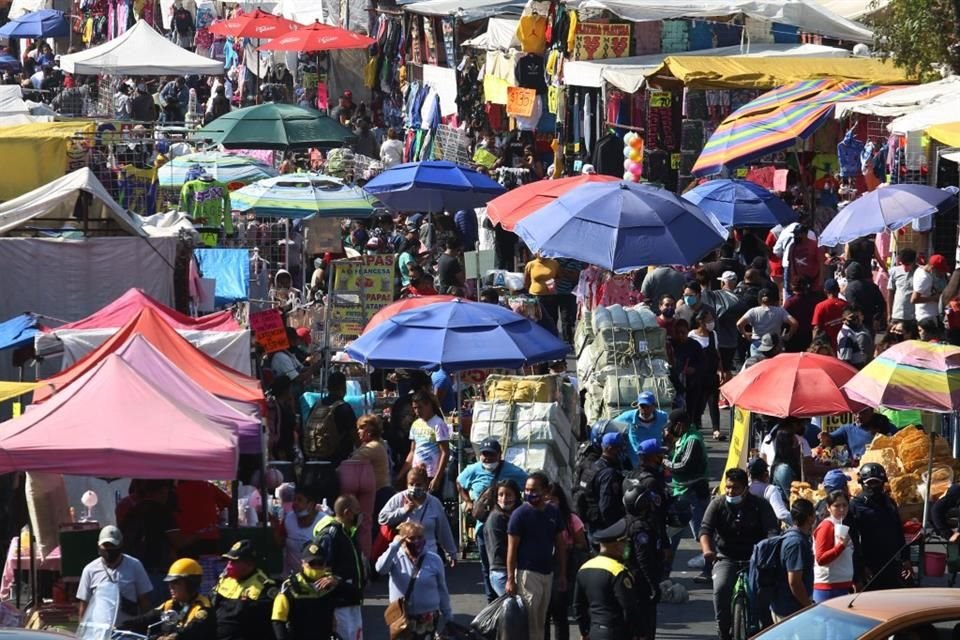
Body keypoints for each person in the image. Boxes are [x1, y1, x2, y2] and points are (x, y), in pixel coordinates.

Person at [699, 468, 778, 640]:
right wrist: (707, 551)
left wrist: (768, 552)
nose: (730, 491)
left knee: (762, 595)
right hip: (726, 557)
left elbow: (772, 531)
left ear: (746, 488)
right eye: (728, 487)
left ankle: (764, 631)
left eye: (735, 488)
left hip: (755, 558)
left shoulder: (760, 505)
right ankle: (723, 630)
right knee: (720, 588)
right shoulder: (717, 504)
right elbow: (705, 530)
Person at [456, 438, 527, 602]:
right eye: (484, 455)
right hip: (483, 529)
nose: (487, 459)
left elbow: (527, 484)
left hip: (507, 528)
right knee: (487, 567)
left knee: (508, 564)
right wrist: (468, 501)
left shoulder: (513, 471)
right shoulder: (472, 469)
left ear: (500, 455)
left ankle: (510, 597)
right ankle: (492, 602)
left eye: (491, 455)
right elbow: (459, 482)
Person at [506, 471, 568, 640]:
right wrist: (511, 579)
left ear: (546, 490)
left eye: (534, 490)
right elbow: (512, 549)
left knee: (540, 622)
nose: (530, 494)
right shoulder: (519, 515)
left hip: (547, 574)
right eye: (526, 490)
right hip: (528, 575)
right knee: (531, 624)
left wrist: (562, 574)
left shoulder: (553, 513)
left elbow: (560, 544)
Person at [622, 441, 671, 639]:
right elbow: (658, 515)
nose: (662, 458)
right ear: (650, 457)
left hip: (628, 535)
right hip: (647, 539)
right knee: (646, 606)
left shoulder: (631, 476)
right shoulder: (651, 482)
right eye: (659, 455)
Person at [375, 521, 452, 639]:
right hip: (402, 618)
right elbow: (380, 569)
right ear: (403, 540)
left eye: (420, 537)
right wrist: (394, 545)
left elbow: (442, 588)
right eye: (411, 538)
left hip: (427, 617)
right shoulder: (395, 557)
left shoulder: (434, 559)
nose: (416, 541)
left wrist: (448, 616)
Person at [272, 537, 356, 640]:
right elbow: (278, 620)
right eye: (312, 563)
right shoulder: (290, 587)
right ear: (303, 563)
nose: (316, 567)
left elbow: (356, 596)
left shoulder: (330, 584)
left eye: (320, 563)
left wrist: (338, 583)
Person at [573, 519, 644, 640]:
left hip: (594, 632)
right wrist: (639, 634)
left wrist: (584, 632)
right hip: (616, 633)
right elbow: (629, 608)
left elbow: (578, 606)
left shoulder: (584, 568)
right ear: (616, 545)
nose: (625, 547)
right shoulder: (618, 571)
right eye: (624, 542)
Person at [663, 409, 711, 581]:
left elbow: (683, 466)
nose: (670, 430)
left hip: (693, 494)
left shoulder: (692, 440)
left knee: (701, 532)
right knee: (673, 533)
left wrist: (665, 462)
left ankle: (709, 569)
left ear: (680, 425)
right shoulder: (682, 438)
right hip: (681, 492)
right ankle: (664, 573)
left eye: (672, 426)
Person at [849, 463, 913, 590]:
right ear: (862, 483)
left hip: (891, 563)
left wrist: (906, 559)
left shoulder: (890, 503)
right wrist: (859, 569)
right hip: (869, 565)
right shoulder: (855, 506)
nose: (873, 487)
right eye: (870, 483)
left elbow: (898, 532)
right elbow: (853, 541)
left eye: (876, 483)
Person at [118, 558, 216, 640]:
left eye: (175, 583)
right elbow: (145, 619)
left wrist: (174, 637)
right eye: (170, 583)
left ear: (191, 584)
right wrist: (120, 626)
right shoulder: (170, 605)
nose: (170, 587)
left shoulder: (203, 608)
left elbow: (192, 630)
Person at [311, 496, 366, 640]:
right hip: (339, 605)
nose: (359, 515)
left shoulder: (348, 532)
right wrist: (328, 612)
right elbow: (320, 571)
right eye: (357, 511)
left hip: (352, 600)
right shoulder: (331, 535)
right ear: (347, 513)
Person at [76, 526, 152, 624]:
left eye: (112, 546)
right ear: (99, 547)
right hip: (100, 633)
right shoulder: (89, 570)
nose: (109, 549)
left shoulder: (135, 566)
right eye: (105, 546)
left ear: (120, 545)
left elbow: (145, 601)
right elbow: (84, 605)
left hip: (128, 631)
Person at [378, 467, 457, 562]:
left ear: (426, 484)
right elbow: (382, 518)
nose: (414, 488)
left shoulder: (434, 503)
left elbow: (444, 530)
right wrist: (403, 511)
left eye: (418, 484)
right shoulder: (399, 499)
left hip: (429, 554)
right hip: (404, 555)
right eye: (411, 484)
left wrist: (451, 552)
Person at [544, 483, 587, 640]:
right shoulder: (537, 517)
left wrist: (566, 547)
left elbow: (582, 544)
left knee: (560, 614)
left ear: (560, 500)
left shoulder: (571, 519)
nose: (549, 504)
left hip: (565, 569)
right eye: (546, 500)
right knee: (543, 616)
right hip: (543, 570)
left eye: (553, 500)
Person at [210, 540, 277, 640]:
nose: (229, 565)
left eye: (234, 561)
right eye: (228, 561)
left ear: (249, 563)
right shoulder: (225, 580)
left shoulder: (264, 588)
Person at [396, 391, 450, 494]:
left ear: (428, 405)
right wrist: (401, 474)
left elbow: (445, 452)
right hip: (416, 473)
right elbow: (412, 451)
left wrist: (437, 478)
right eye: (415, 408)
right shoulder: (415, 424)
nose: (417, 411)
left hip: (431, 474)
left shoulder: (438, 424)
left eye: (420, 407)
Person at [770, 499, 815, 622]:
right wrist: (808, 606)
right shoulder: (796, 543)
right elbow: (794, 581)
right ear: (810, 518)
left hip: (788, 607)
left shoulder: (794, 537)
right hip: (790, 611)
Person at [349, 414, 393, 524]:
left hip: (378, 494)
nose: (358, 431)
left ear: (369, 431)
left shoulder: (372, 447)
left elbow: (350, 463)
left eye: (361, 428)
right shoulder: (376, 443)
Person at [812, 491, 855, 602]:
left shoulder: (841, 525)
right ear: (828, 507)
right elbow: (821, 558)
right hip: (828, 588)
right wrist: (841, 546)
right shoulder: (826, 526)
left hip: (842, 585)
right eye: (837, 505)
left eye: (844, 505)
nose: (841, 509)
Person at [689, 308, 724, 440]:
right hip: (697, 376)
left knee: (713, 402)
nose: (711, 322)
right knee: (697, 402)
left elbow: (717, 353)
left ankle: (716, 429)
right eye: (709, 320)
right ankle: (694, 426)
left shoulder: (713, 334)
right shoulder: (692, 335)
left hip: (711, 374)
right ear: (700, 321)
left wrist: (721, 369)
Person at [484, 479, 522, 597]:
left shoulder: (517, 515)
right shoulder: (497, 518)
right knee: (513, 608)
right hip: (501, 571)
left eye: (509, 494)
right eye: (501, 494)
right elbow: (500, 548)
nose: (505, 498)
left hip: (515, 570)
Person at [277, 486, 327, 577]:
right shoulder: (288, 519)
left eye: (299, 500)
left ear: (311, 504)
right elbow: (279, 543)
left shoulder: (325, 522)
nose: (294, 503)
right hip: (291, 578)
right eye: (294, 499)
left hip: (315, 580)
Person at [585, 432, 628, 533]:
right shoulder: (608, 473)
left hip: (591, 522)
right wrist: (613, 530)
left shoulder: (593, 466)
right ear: (609, 449)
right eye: (618, 448)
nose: (620, 452)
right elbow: (606, 506)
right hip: (604, 528)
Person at [737, 287, 798, 356]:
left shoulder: (753, 311)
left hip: (758, 344)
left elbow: (739, 324)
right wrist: (788, 335)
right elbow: (794, 323)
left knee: (757, 365)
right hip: (775, 345)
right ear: (773, 300)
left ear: (759, 300)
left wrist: (745, 334)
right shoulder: (780, 311)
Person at [615, 390, 668, 469]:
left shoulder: (662, 417)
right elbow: (611, 426)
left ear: (653, 406)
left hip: (655, 464)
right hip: (635, 465)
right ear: (638, 406)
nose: (645, 410)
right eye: (642, 406)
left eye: (648, 406)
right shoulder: (627, 417)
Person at [819, 407, 896, 459]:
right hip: (859, 472)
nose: (858, 416)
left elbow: (900, 440)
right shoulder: (847, 429)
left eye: (863, 412)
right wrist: (825, 438)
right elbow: (830, 440)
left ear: (871, 411)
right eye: (856, 412)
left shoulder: (886, 425)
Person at [783, 277, 825, 352]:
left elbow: (783, 318)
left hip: (794, 337)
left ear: (793, 286)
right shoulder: (812, 299)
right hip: (808, 335)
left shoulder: (790, 302)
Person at [747, 458, 792, 526]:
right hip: (768, 532)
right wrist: (798, 524)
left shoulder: (746, 489)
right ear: (766, 473)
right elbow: (782, 514)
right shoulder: (770, 490)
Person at [525, 252, 561, 336]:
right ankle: (539, 337)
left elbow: (559, 276)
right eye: (540, 252)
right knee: (537, 318)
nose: (542, 254)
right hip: (536, 296)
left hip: (551, 296)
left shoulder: (554, 263)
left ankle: (553, 337)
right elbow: (526, 281)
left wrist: (554, 282)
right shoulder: (530, 264)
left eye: (544, 252)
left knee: (552, 318)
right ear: (536, 253)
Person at [844, 261, 886, 332]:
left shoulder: (850, 288)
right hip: (871, 322)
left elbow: (852, 306)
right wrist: (877, 318)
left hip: (856, 324)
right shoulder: (872, 286)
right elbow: (882, 303)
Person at [913, 253, 949, 323]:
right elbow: (914, 299)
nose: (942, 273)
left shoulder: (924, 272)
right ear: (932, 268)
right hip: (927, 317)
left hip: (933, 315)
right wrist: (935, 298)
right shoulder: (924, 277)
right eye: (940, 271)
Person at [812, 278, 847, 349]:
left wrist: (814, 345)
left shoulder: (820, 306)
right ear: (839, 290)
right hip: (845, 344)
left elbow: (816, 328)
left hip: (827, 347)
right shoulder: (846, 305)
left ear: (825, 291)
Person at [888, 248, 918, 324]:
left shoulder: (920, 273)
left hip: (913, 316)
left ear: (914, 262)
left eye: (908, 265)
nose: (905, 268)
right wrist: (889, 313)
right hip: (897, 314)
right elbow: (890, 293)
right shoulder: (895, 271)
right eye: (903, 264)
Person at [770, 430, 802, 502]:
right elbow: (792, 497)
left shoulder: (790, 465)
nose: (799, 447)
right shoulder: (784, 469)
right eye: (796, 444)